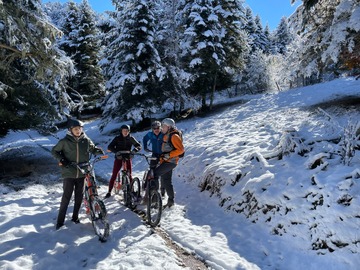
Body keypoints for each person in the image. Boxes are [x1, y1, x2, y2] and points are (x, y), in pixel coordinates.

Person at [52, 118, 104, 230]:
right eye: (75, 129)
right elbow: (54, 151)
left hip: (82, 172)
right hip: (69, 172)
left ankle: (75, 217)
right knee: (66, 197)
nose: (78, 131)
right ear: (70, 130)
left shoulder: (85, 140)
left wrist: (98, 151)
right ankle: (60, 222)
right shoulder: (64, 141)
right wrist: (62, 159)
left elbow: (92, 148)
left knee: (79, 197)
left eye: (79, 128)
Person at [153, 118, 184, 207]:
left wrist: (169, 155)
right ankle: (170, 201)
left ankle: (154, 199)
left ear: (169, 126)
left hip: (170, 162)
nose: (162, 128)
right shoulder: (168, 134)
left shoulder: (174, 136)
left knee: (154, 174)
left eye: (163, 126)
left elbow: (181, 150)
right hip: (167, 161)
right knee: (167, 180)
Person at [105, 124, 141, 198]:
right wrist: (116, 152)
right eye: (124, 131)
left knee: (129, 174)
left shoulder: (131, 138)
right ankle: (109, 191)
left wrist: (134, 150)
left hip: (128, 157)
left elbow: (138, 146)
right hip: (119, 157)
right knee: (114, 174)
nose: (125, 132)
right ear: (121, 131)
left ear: (129, 131)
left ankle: (131, 190)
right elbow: (110, 147)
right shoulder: (117, 138)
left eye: (127, 131)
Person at [142, 120, 166, 196]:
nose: (156, 130)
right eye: (154, 128)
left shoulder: (163, 134)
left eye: (158, 128)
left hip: (163, 155)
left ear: (160, 128)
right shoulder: (150, 134)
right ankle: (147, 186)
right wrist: (145, 146)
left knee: (163, 173)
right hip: (155, 154)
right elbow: (145, 139)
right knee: (152, 170)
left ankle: (162, 191)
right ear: (152, 129)